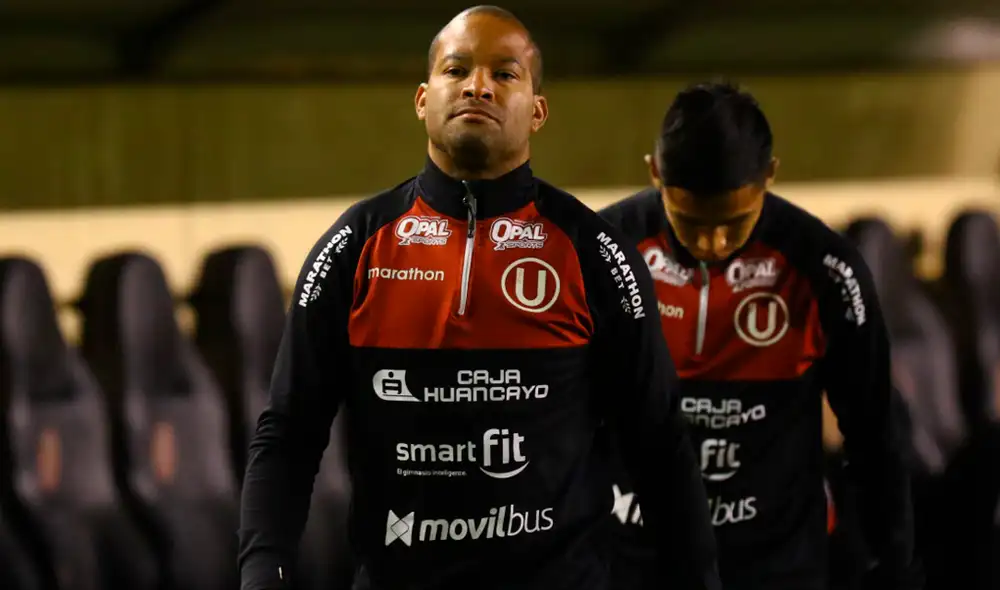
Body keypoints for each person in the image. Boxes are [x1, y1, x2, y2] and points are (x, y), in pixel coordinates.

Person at [238, 6, 720, 590]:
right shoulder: (355, 245)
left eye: (505, 74)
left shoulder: (594, 252)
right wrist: (263, 572)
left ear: (537, 111)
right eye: (456, 69)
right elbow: (289, 433)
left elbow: (658, 444)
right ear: (423, 99)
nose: (477, 86)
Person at [598, 81, 921, 590]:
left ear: (769, 177)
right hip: (635, 557)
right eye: (689, 221)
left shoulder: (824, 267)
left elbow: (874, 429)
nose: (712, 242)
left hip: (775, 562)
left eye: (733, 222)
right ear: (654, 173)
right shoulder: (602, 251)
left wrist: (895, 561)